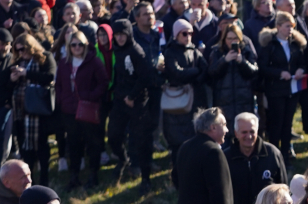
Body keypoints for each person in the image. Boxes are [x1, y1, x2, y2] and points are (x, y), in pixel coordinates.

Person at [54, 30, 107, 190]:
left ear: (85, 45)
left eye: (80, 44)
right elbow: (58, 85)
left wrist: (90, 96)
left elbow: (104, 83)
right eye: (73, 45)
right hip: (69, 110)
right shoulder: (63, 63)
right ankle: (74, 176)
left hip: (88, 109)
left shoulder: (94, 61)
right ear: (69, 47)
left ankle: (93, 175)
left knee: (93, 143)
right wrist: (62, 99)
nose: (77, 47)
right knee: (74, 143)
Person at [107, 18, 154, 193]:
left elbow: (145, 77)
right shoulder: (117, 50)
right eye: (117, 34)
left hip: (137, 101)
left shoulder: (136, 51)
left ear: (129, 34)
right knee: (113, 135)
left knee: (142, 142)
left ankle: (146, 179)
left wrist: (132, 96)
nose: (120, 38)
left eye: (123, 34)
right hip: (120, 100)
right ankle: (122, 159)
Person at [164, 19, 210, 185]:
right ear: (176, 35)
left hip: (196, 100)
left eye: (191, 33)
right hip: (179, 104)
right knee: (179, 144)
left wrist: (196, 76)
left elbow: (206, 69)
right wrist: (196, 72)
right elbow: (177, 73)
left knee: (195, 140)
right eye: (184, 33)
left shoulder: (194, 50)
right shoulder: (170, 52)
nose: (188, 36)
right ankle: (177, 179)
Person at [260, 12, 308, 165]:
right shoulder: (270, 45)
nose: (290, 29)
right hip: (276, 90)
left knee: (288, 123)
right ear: (279, 26)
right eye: (287, 26)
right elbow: (262, 67)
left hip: (292, 90)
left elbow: (303, 62)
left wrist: (301, 69)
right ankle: (273, 156)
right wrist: (279, 73)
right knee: (276, 123)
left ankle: (286, 156)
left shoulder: (295, 44)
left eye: (292, 26)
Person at [8, 34, 55, 187]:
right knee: (25, 149)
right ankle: (30, 182)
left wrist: (27, 73)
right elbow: (8, 87)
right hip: (21, 113)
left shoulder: (44, 57)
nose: (21, 53)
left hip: (38, 111)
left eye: (23, 49)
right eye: (18, 50)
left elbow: (50, 76)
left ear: (30, 46)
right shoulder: (17, 62)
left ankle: (44, 180)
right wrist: (13, 79)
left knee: (41, 147)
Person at [225, 112, 288, 204]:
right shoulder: (225, 158)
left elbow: (283, 188)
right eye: (244, 132)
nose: (249, 136)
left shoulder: (272, 154)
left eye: (252, 131)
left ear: (257, 131)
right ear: (236, 133)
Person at [208, 21, 259, 134]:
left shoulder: (246, 51)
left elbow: (254, 72)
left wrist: (242, 62)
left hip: (243, 98)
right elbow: (212, 73)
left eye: (235, 38)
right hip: (224, 99)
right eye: (229, 38)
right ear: (224, 39)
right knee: (225, 131)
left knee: (243, 130)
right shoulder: (217, 52)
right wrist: (224, 60)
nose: (232, 41)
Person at [177, 107, 234, 204]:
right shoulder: (213, 152)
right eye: (224, 125)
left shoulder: (185, 146)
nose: (227, 130)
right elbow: (220, 193)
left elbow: (176, 178)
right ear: (213, 127)